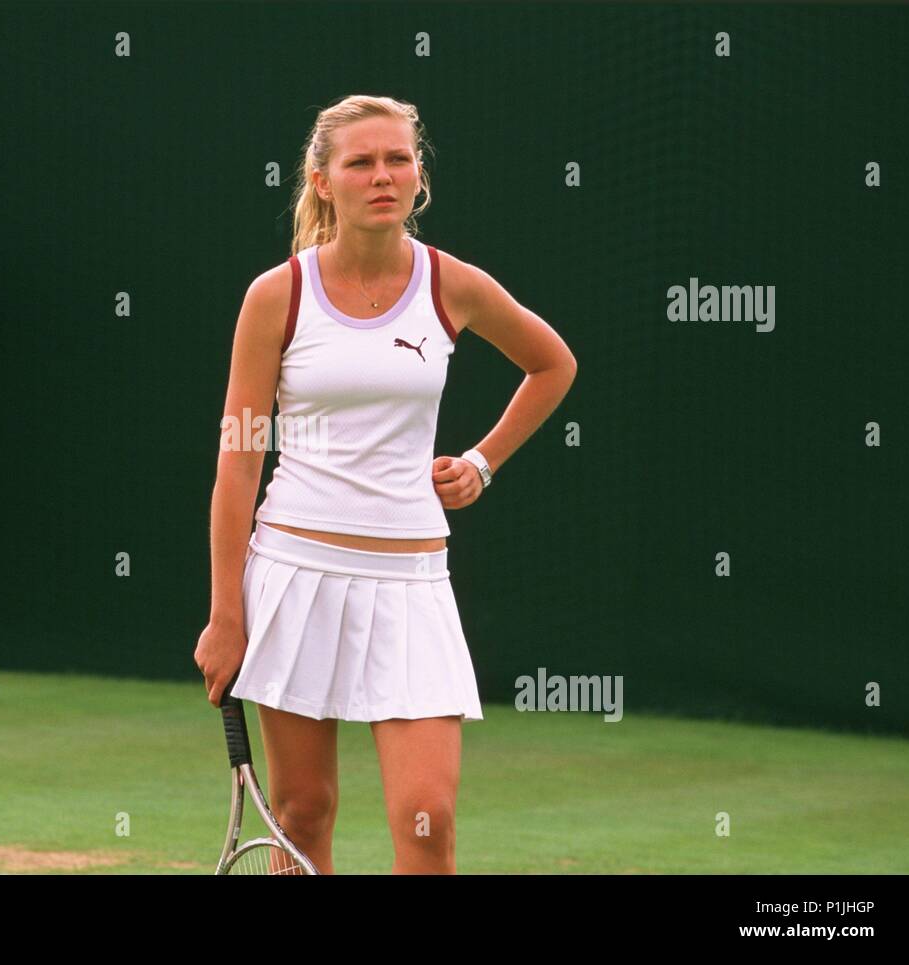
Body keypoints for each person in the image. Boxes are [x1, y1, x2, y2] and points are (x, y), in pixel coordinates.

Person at [194, 94, 577, 873]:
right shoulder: (276, 295)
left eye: (398, 158)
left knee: (428, 814)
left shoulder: (453, 284)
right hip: (294, 577)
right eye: (361, 161)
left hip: (411, 585)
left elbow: (553, 363)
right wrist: (225, 613)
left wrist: (480, 460)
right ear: (322, 179)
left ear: (418, 175)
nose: (383, 175)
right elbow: (240, 460)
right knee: (303, 811)